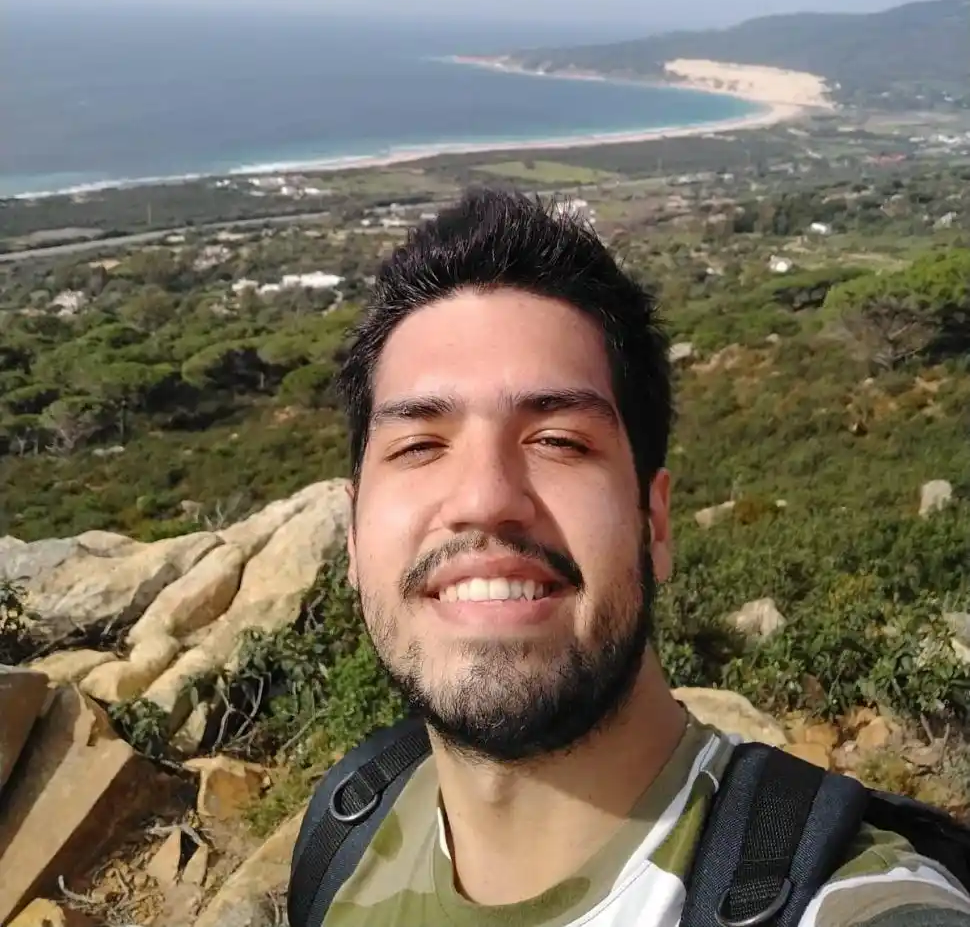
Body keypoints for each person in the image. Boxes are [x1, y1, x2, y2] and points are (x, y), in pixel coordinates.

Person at [322, 188, 970, 925]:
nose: (485, 497)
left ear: (653, 523)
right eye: (419, 446)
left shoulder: (845, 901)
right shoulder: (347, 835)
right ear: (352, 536)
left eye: (559, 441)